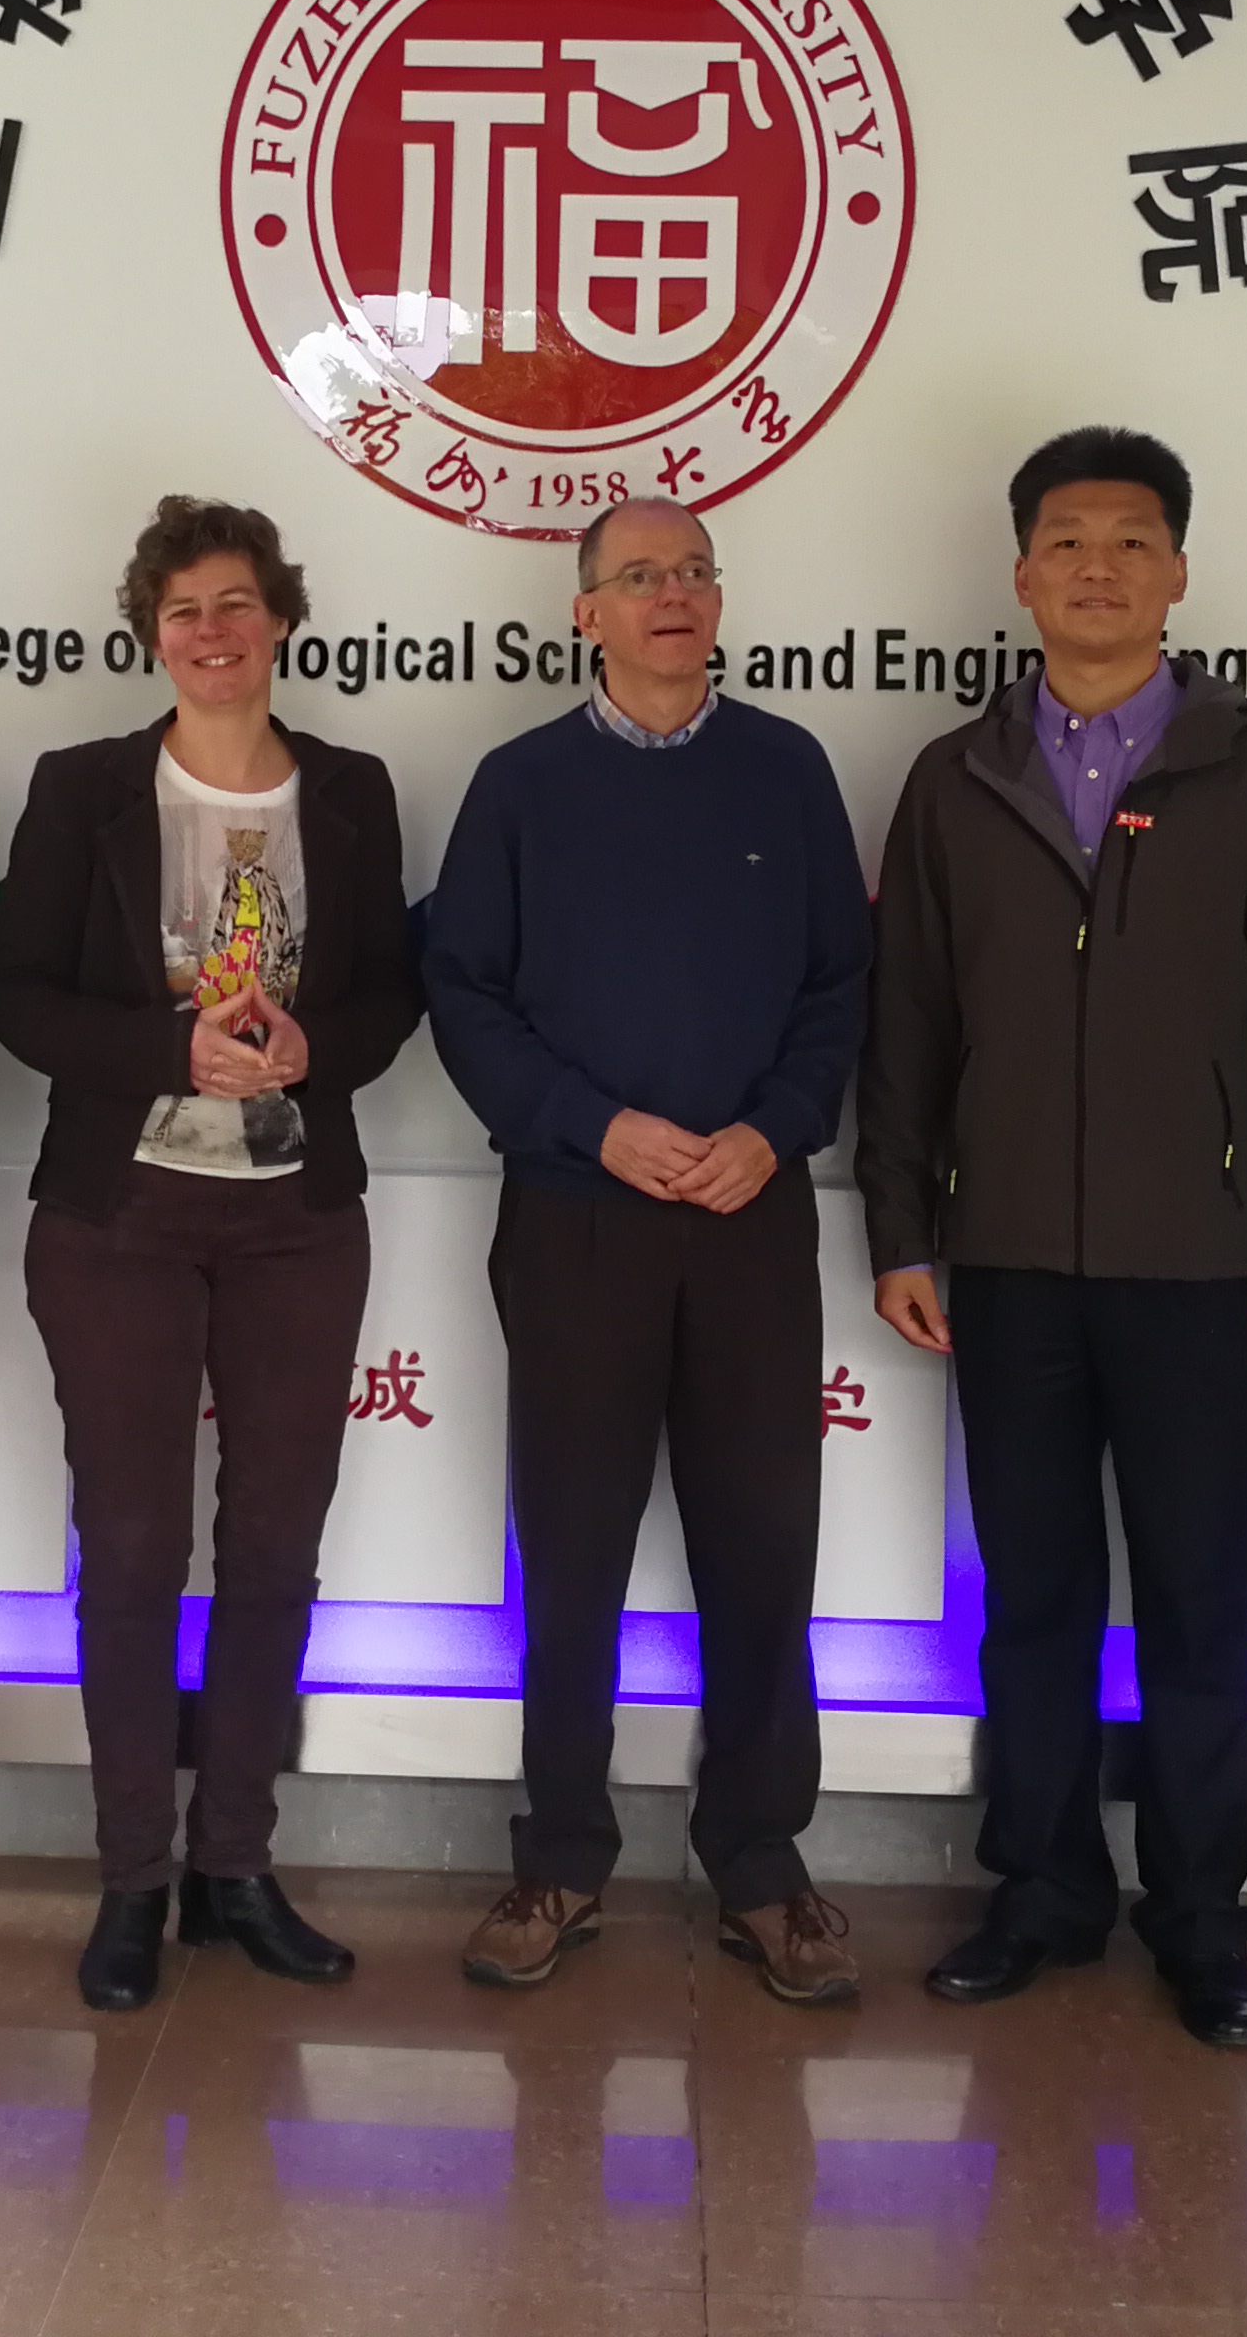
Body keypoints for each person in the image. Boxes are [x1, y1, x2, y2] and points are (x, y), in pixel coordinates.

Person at [856, 427, 1247, 2048]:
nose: (1098, 568)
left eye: (1131, 541)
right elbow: (908, 1024)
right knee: (1035, 1602)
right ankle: (1044, 1891)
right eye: (1067, 542)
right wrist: (901, 1228)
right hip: (1006, 1261)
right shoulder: (956, 779)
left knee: (1203, 1607)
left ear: (1178, 573)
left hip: (1201, 1268)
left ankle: (1203, 1916)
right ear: (1021, 575)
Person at [425, 499, 874, 2006]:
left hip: (751, 1213)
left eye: (693, 573)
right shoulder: (520, 785)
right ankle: (560, 1854)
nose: (672, 595)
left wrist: (776, 1130)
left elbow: (840, 984)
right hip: (578, 1214)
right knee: (572, 1553)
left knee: (765, 1548)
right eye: (640, 577)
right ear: (587, 615)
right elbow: (465, 993)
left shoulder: (787, 769)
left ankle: (761, 1864)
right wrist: (590, 1125)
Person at [0, 497, 420, 2011]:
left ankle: (235, 1864)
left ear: (280, 619)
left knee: (277, 1549)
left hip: (297, 1223)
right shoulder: (85, 788)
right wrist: (169, 1048)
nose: (213, 633)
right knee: (130, 1551)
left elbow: (389, 996)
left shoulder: (351, 792)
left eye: (237, 604)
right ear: (151, 636)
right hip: (119, 1222)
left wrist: (314, 1048)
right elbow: (18, 995)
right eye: (184, 612)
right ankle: (131, 1879)